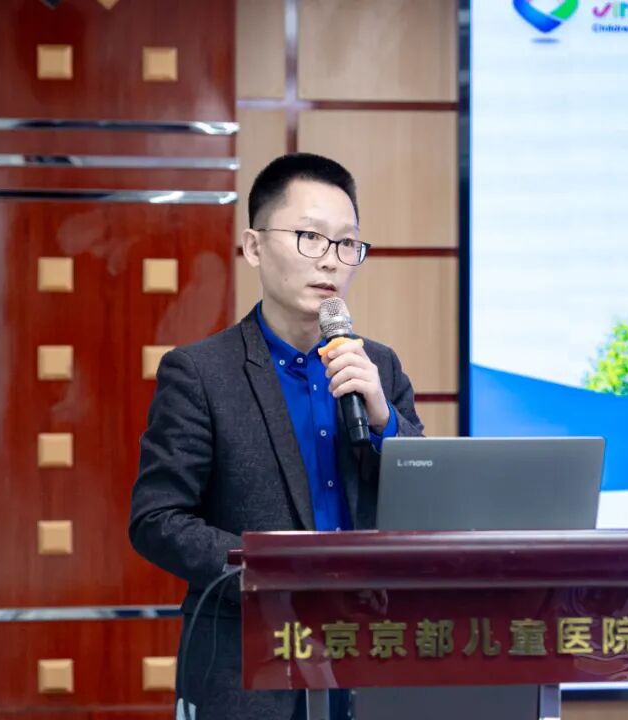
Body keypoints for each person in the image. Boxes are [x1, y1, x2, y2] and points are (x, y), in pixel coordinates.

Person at [129, 152, 425, 720]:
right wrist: (275, 570)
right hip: (250, 669)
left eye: (347, 243)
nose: (331, 259)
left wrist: (385, 422)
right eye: (310, 237)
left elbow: (422, 507)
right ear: (254, 246)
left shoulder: (379, 368)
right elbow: (157, 521)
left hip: (369, 659)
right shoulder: (200, 373)